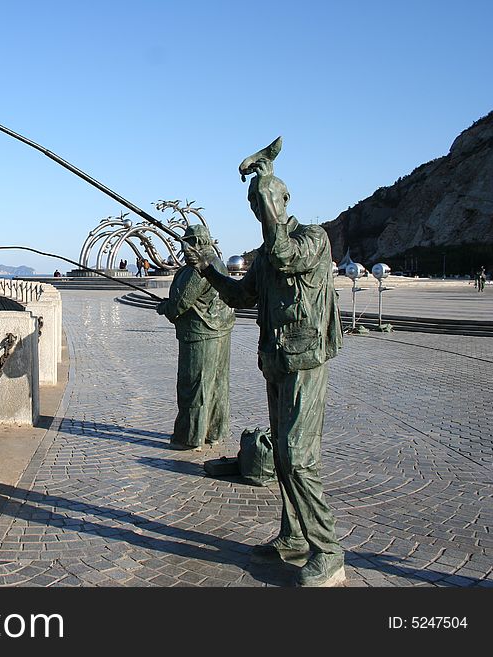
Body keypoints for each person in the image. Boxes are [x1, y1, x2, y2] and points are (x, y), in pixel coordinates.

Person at [193, 149, 345, 587]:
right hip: (276, 362)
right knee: (281, 454)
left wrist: (265, 184)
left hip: (305, 363)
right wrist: (207, 267)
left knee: (297, 455)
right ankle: (294, 536)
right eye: (257, 205)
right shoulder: (265, 254)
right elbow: (241, 297)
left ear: (284, 200)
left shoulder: (313, 240)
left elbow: (284, 255)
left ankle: (328, 549)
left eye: (267, 202)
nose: (262, 209)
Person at [156, 224, 235, 449]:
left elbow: (182, 302)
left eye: (187, 244)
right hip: (220, 331)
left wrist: (167, 309)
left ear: (197, 243)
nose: (185, 249)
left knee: (194, 385)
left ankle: (190, 437)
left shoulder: (198, 268)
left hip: (200, 334)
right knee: (218, 384)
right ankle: (214, 432)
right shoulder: (218, 263)